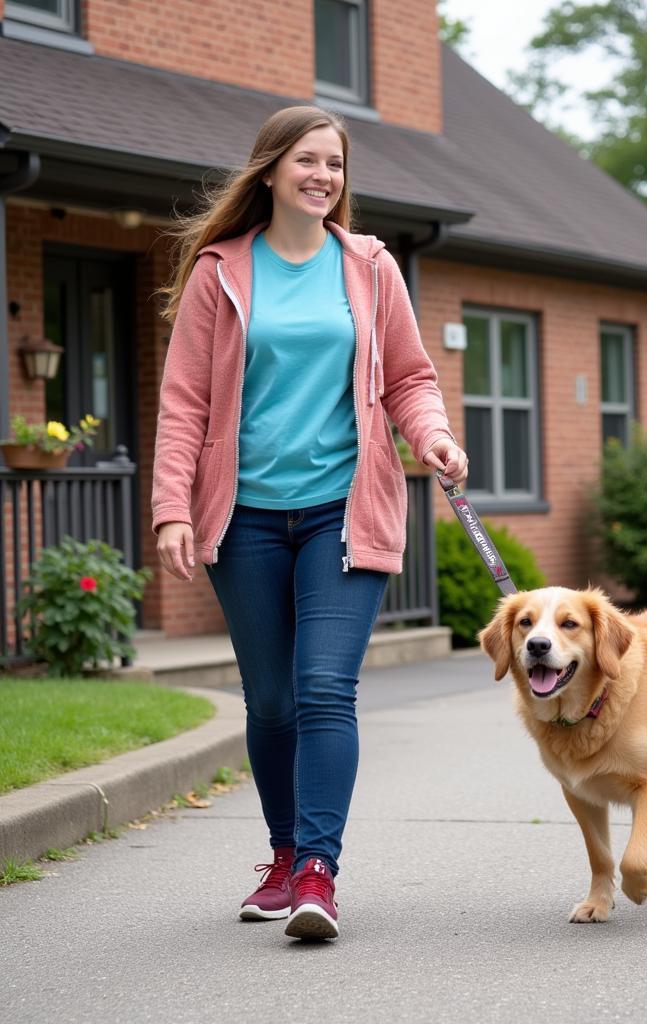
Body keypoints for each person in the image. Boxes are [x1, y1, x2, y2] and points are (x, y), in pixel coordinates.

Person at [152, 106, 468, 942]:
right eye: (307, 161)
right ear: (269, 170)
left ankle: (319, 873)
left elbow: (409, 375)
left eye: (334, 164)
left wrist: (432, 434)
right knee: (271, 700)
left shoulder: (368, 268)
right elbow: (183, 403)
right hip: (246, 517)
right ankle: (285, 854)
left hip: (342, 510)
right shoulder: (222, 271)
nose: (323, 176)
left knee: (325, 687)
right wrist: (171, 509)